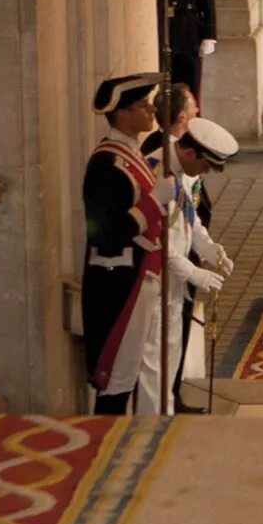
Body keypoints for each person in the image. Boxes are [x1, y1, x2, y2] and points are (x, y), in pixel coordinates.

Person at [83, 73, 167, 413]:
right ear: (121, 114)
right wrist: (152, 204)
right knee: (117, 376)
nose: (151, 112)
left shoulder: (130, 155)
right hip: (120, 278)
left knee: (132, 371)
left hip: (142, 272)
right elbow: (105, 231)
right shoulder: (107, 164)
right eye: (143, 106)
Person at [165, 116, 239, 412]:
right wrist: (194, 273)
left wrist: (208, 248)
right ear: (188, 152)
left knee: (170, 358)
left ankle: (168, 414)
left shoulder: (183, 171)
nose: (206, 171)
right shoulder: (159, 171)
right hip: (154, 283)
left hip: (174, 283)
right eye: (206, 163)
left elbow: (189, 220)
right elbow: (157, 242)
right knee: (153, 366)